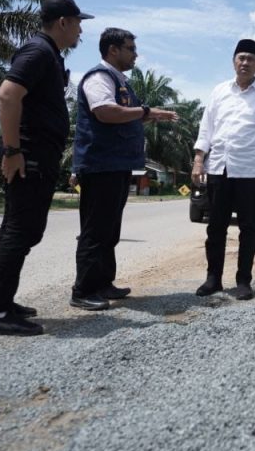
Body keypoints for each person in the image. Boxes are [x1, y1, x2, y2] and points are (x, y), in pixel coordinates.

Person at [0, 0, 93, 336]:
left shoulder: (47, 53)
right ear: (63, 23)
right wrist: (12, 150)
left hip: (33, 152)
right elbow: (8, 95)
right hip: (28, 153)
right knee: (21, 230)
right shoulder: (38, 51)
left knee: (16, 228)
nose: (80, 30)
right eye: (78, 23)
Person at [70, 28, 177, 311]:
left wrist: (145, 118)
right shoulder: (100, 78)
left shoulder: (121, 82)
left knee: (109, 229)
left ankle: (103, 283)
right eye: (130, 48)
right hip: (100, 164)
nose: (135, 54)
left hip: (117, 165)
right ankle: (83, 290)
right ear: (113, 50)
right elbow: (104, 111)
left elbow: (123, 117)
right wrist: (146, 112)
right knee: (95, 230)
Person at [191, 38, 255, 301]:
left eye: (250, 59)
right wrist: (198, 159)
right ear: (233, 61)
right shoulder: (219, 92)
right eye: (241, 58)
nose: (245, 63)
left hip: (250, 172)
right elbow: (206, 128)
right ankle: (213, 279)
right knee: (215, 227)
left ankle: (243, 281)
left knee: (248, 228)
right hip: (218, 168)